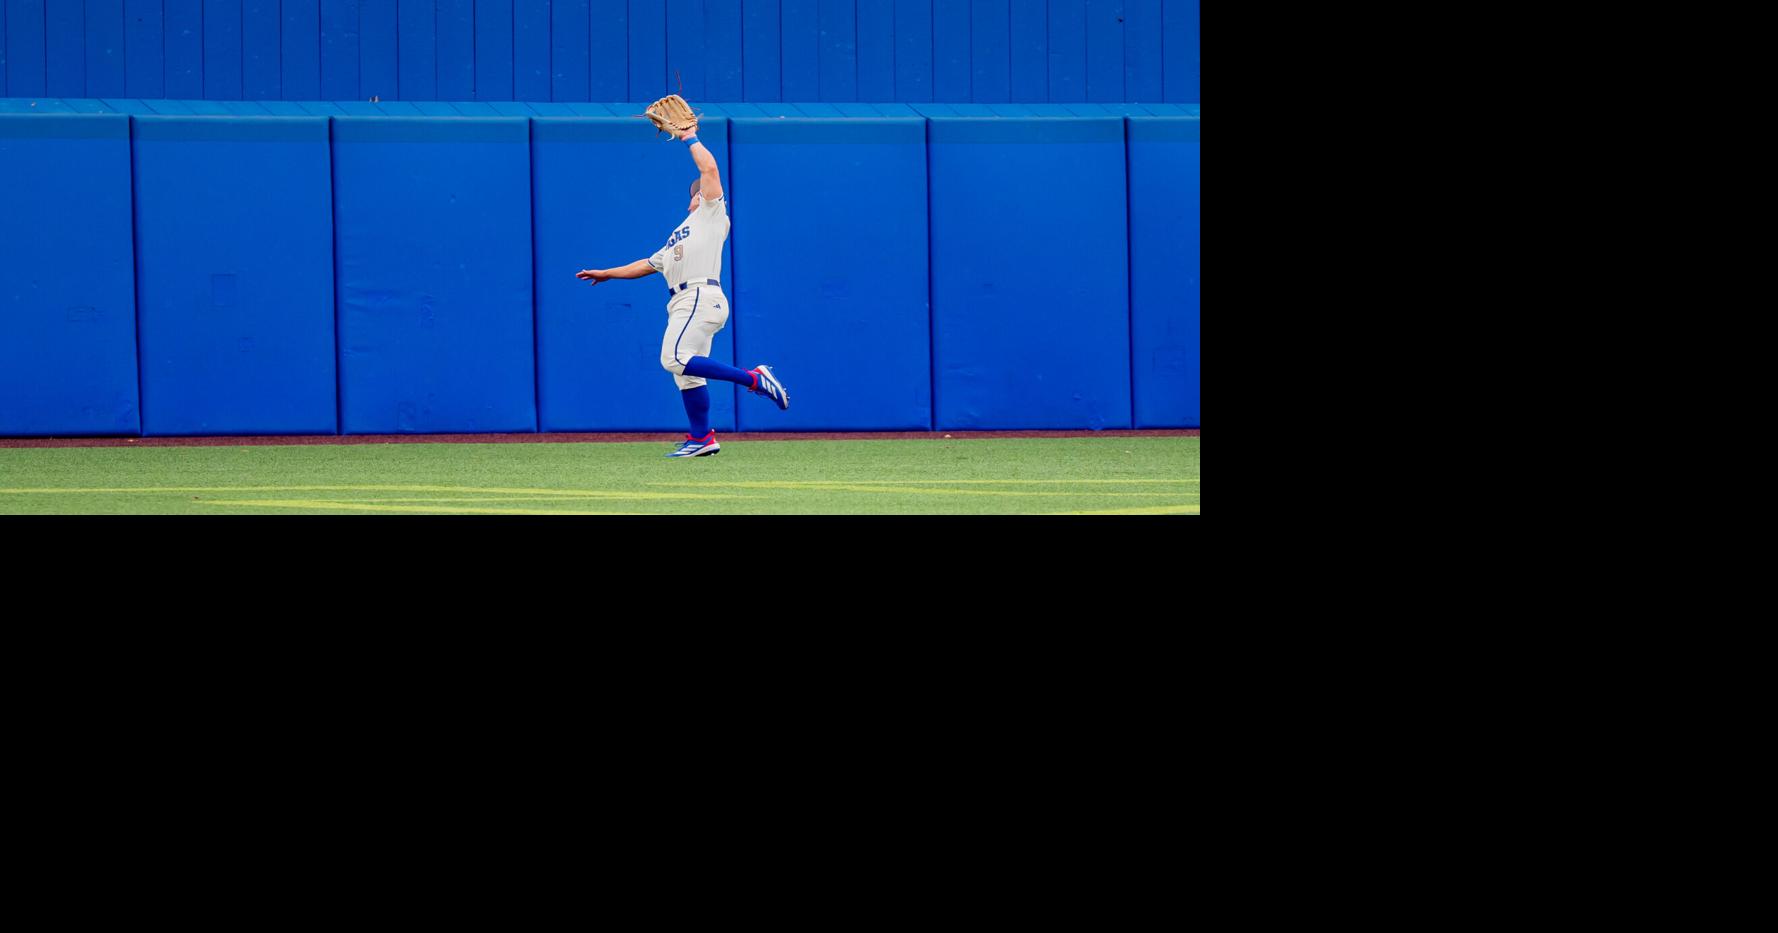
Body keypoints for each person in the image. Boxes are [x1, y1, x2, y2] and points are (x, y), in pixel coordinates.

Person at [576, 117, 788, 458]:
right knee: (687, 375)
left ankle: (754, 378)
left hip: (700, 296)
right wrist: (608, 273)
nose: (705, 190)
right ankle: (702, 438)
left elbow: (711, 170)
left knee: (673, 358)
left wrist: (690, 137)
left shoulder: (711, 213)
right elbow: (647, 264)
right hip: (684, 302)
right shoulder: (680, 232)